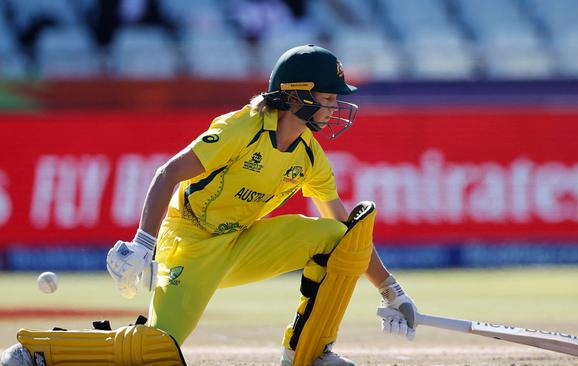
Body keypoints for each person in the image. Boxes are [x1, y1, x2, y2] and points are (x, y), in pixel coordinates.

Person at [104, 44, 418, 366]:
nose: (334, 107)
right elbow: (168, 173)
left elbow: (349, 233)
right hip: (191, 242)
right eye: (326, 98)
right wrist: (143, 244)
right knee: (157, 351)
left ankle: (306, 353)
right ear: (295, 96)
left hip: (242, 242)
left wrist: (391, 290)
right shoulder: (241, 129)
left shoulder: (310, 156)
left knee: (336, 236)